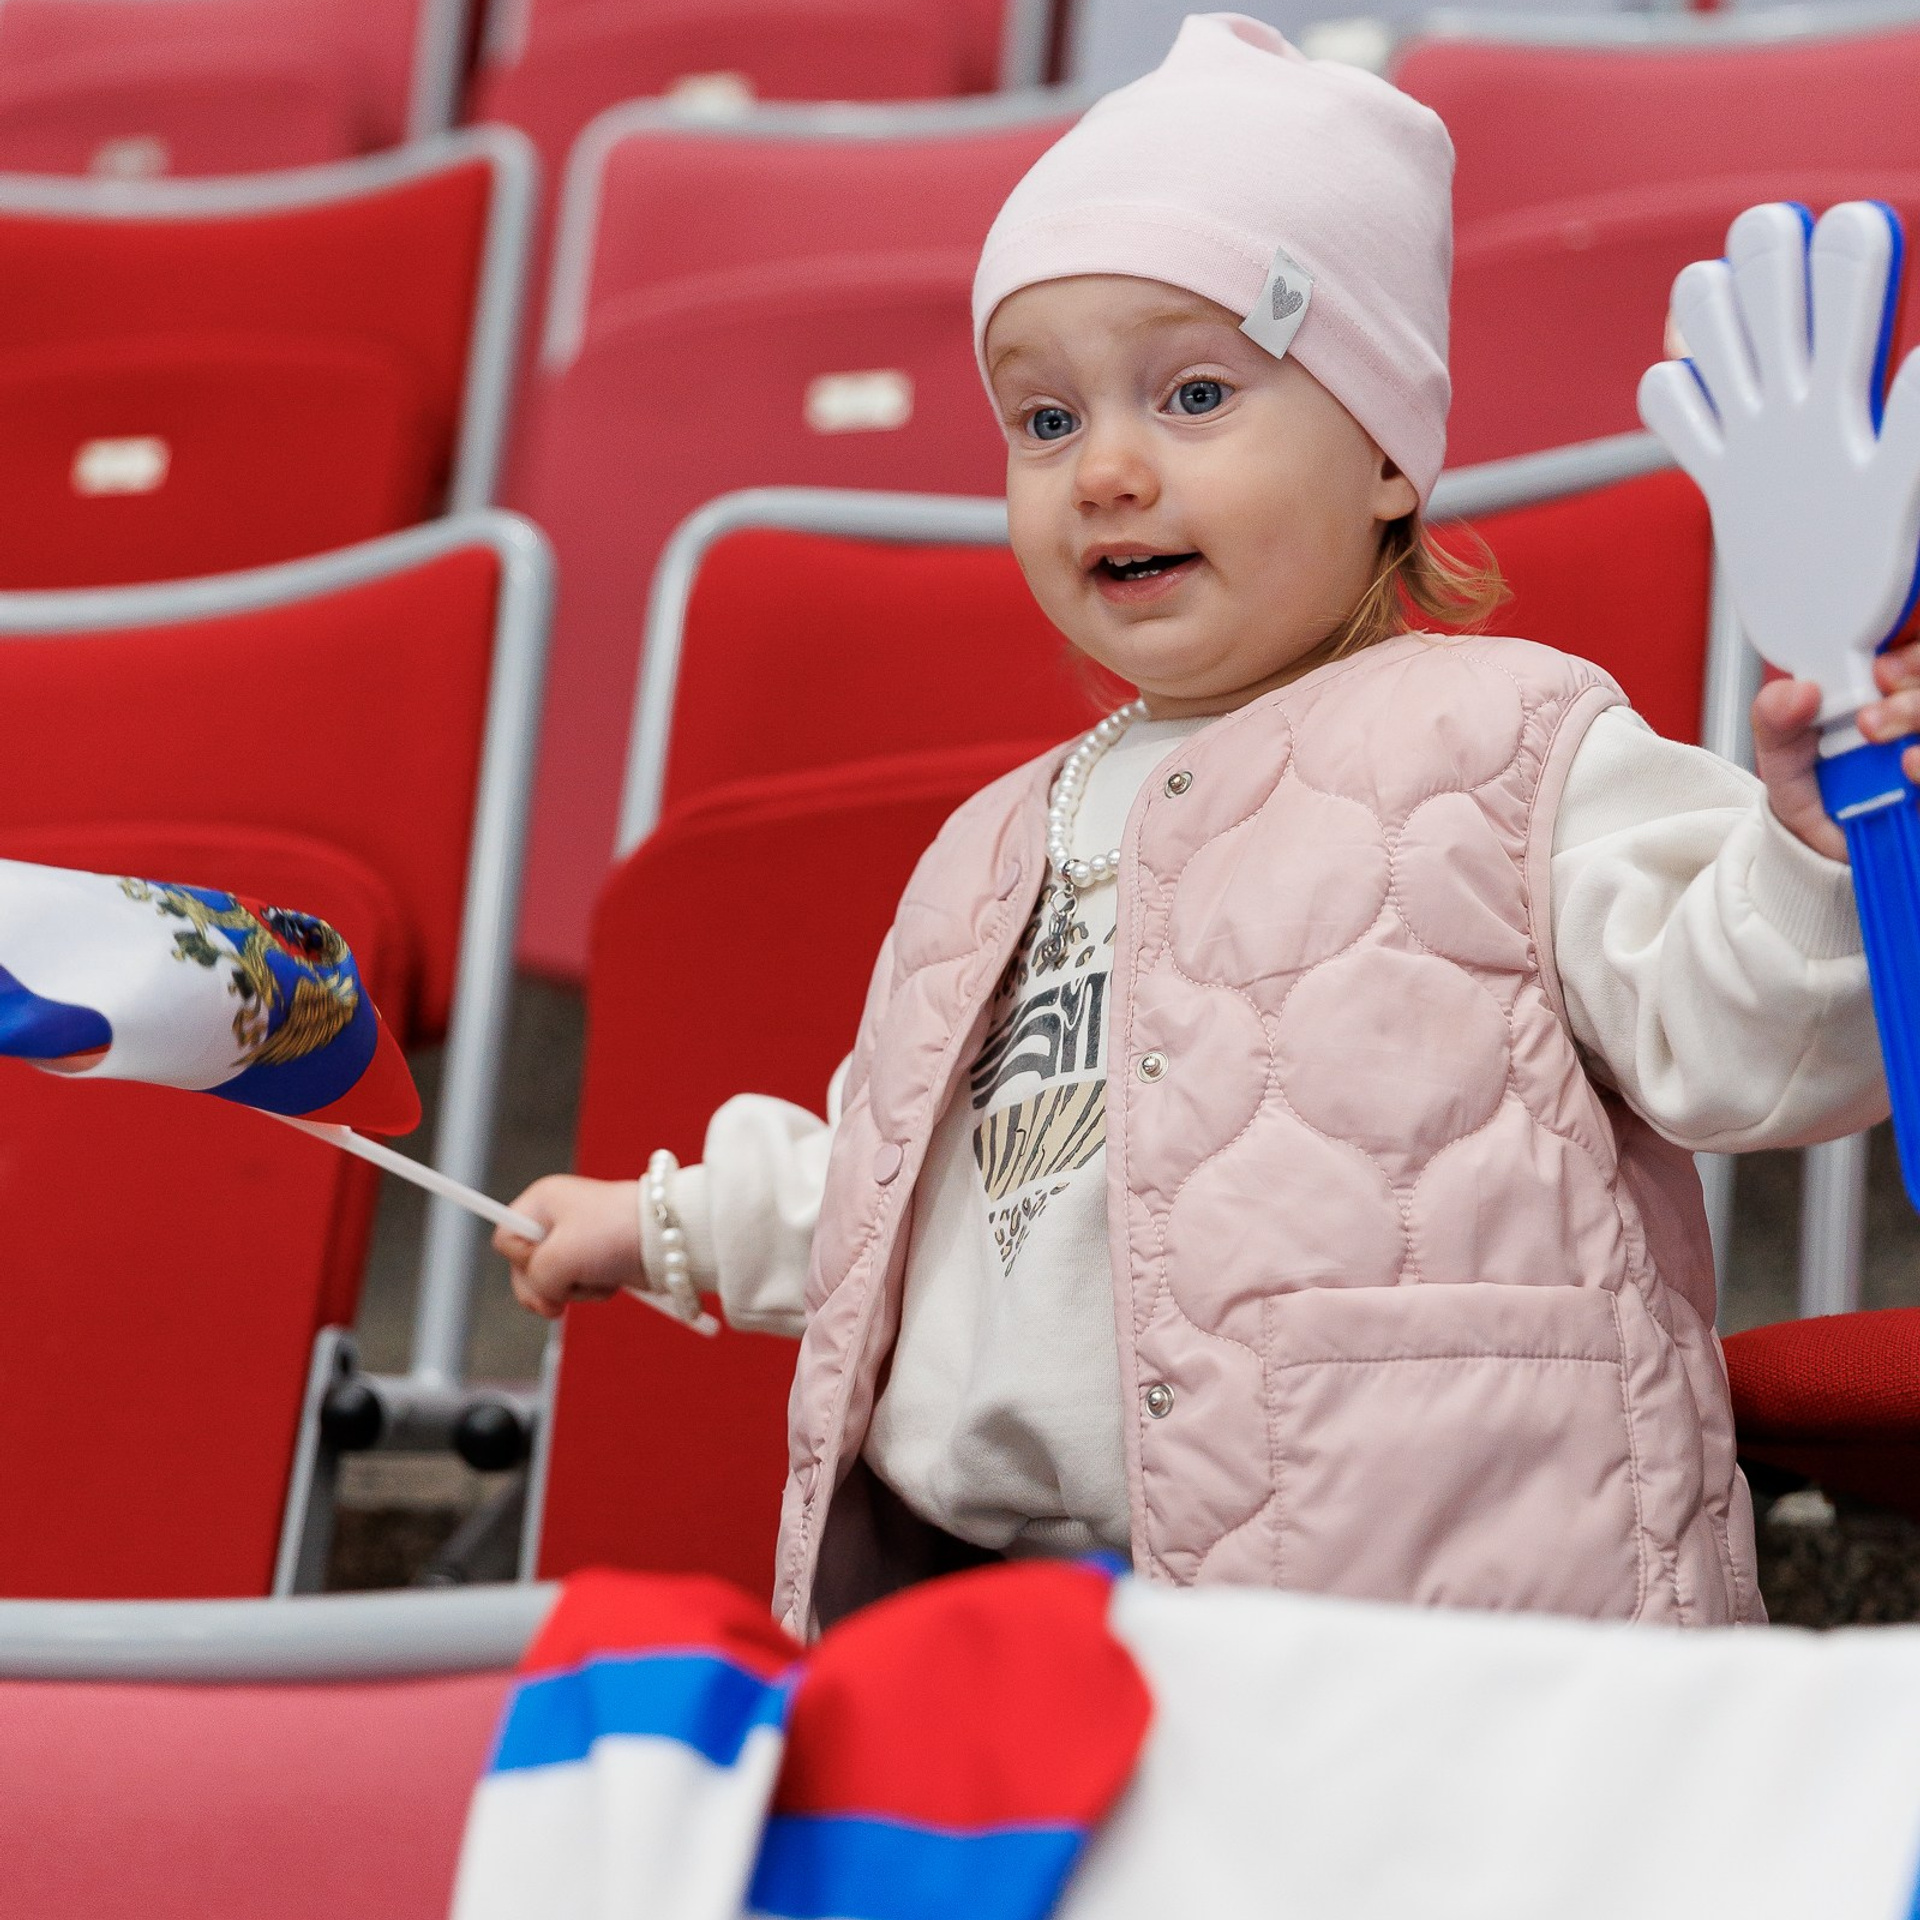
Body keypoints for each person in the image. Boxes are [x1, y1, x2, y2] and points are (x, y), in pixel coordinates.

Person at [498, 14, 1907, 1640]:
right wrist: (656, 1222)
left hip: (1442, 1628)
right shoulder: (995, 844)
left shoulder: (1514, 738)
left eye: (1191, 393)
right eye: (1043, 421)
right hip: (1023, 1621)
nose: (1103, 470)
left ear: (1384, 448)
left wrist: (1811, 861)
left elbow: (1740, 1043)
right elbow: (904, 1185)